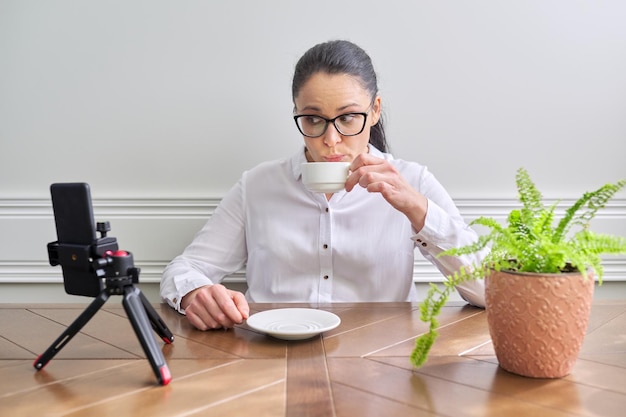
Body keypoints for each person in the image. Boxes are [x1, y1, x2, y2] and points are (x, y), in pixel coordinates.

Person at [161, 39, 486, 331]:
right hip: (271, 363)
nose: (331, 140)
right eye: (314, 119)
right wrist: (195, 293)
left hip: (380, 367)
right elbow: (185, 268)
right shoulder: (258, 185)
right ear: (297, 113)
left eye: (347, 118)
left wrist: (419, 210)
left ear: (374, 111)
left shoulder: (413, 181)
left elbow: (488, 290)